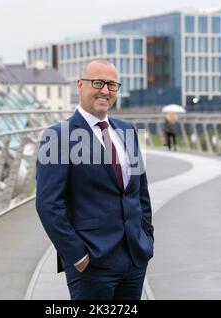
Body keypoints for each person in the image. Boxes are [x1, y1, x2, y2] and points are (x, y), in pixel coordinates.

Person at [36, 59, 154, 300]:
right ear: (80, 85)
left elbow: (140, 191)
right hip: (92, 264)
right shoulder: (58, 137)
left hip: (134, 258)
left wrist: (147, 238)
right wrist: (77, 257)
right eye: (97, 82)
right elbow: (48, 204)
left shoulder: (128, 131)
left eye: (112, 85)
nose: (105, 91)